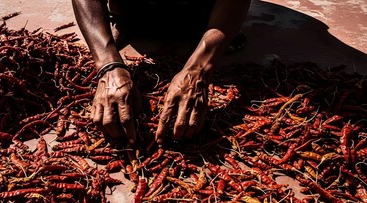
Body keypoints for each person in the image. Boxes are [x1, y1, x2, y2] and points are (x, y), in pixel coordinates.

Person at [72, 0, 251, 145]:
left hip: (201, 9)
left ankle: (217, 29)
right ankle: (128, 18)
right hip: (133, 7)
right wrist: (107, 64)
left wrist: (200, 68)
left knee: (214, 27)